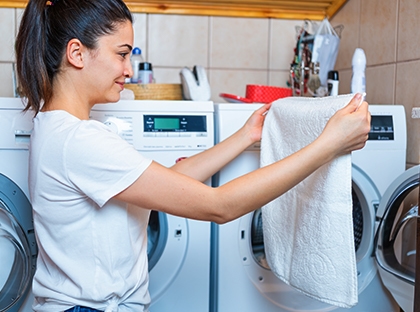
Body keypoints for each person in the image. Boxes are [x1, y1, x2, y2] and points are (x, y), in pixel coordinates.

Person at [15, 0, 371, 311]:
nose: (128, 69)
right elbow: (219, 206)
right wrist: (328, 145)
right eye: (121, 54)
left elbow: (168, 185)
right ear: (77, 53)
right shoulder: (81, 141)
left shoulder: (57, 128)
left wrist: (244, 136)